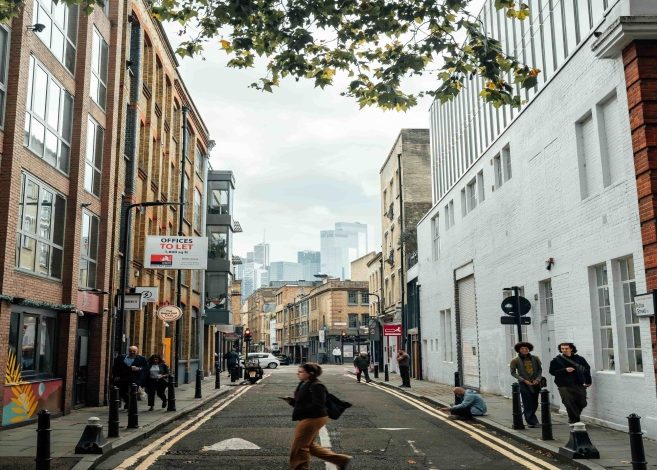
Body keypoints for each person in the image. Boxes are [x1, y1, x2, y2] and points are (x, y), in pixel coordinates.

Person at [282, 363, 352, 470]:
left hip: (314, 418)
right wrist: (292, 402)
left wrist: (300, 409)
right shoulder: (304, 383)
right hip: (309, 416)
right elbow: (304, 401)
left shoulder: (317, 386)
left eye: (301, 372)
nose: (297, 373)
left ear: (311, 373)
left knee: (299, 448)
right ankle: (341, 460)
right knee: (310, 446)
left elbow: (318, 405)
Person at [549, 342, 592, 424]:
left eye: (566, 348)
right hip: (563, 385)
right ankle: (575, 421)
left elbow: (587, 369)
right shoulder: (556, 360)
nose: (564, 350)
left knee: (582, 402)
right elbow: (552, 372)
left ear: (571, 349)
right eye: (562, 349)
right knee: (569, 403)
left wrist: (588, 381)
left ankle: (574, 418)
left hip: (578, 383)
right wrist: (565, 370)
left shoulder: (580, 359)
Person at [509, 342, 543, 427]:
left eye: (526, 349)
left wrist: (538, 379)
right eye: (522, 349)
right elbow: (513, 373)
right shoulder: (515, 360)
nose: (525, 350)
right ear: (519, 350)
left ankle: (532, 419)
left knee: (535, 403)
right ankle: (531, 422)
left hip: (535, 383)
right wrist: (523, 380)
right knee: (527, 402)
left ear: (529, 349)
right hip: (524, 384)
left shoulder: (535, 358)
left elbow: (539, 370)